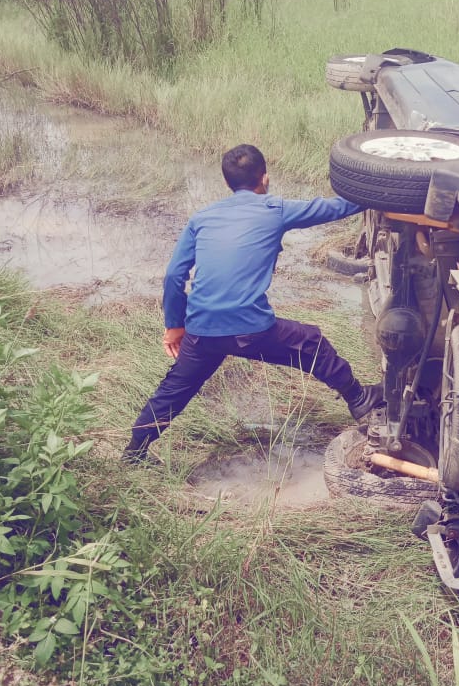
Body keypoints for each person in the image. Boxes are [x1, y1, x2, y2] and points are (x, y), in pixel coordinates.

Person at [122, 144, 382, 465]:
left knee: (174, 389)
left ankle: (134, 453)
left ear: (227, 183)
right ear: (265, 178)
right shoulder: (276, 209)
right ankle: (358, 399)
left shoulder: (202, 218)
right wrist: (383, 190)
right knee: (312, 343)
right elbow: (336, 208)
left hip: (201, 330)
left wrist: (175, 326)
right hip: (251, 329)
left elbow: (175, 275)